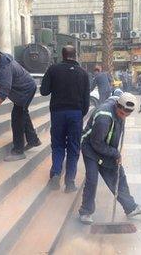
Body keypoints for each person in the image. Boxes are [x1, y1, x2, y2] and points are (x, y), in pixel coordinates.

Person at [78, 92, 141, 224]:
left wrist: (114, 154)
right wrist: (115, 154)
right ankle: (85, 211)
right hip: (90, 147)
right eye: (122, 113)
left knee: (118, 174)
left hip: (105, 146)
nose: (124, 116)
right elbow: (97, 143)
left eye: (127, 114)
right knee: (92, 179)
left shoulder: (120, 108)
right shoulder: (104, 118)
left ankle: (131, 208)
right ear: (117, 106)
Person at [0, 42, 41, 162]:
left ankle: (18, 151)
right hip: (23, 88)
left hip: (25, 90)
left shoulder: (4, 68)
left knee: (17, 118)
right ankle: (33, 140)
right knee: (23, 114)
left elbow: (3, 93)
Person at [40, 46, 90, 193]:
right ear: (76, 55)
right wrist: (81, 114)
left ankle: (56, 174)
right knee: (73, 148)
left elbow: (44, 91)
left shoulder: (53, 69)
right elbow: (86, 100)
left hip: (58, 113)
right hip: (76, 114)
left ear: (62, 55)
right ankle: (69, 183)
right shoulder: (83, 73)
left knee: (58, 145)